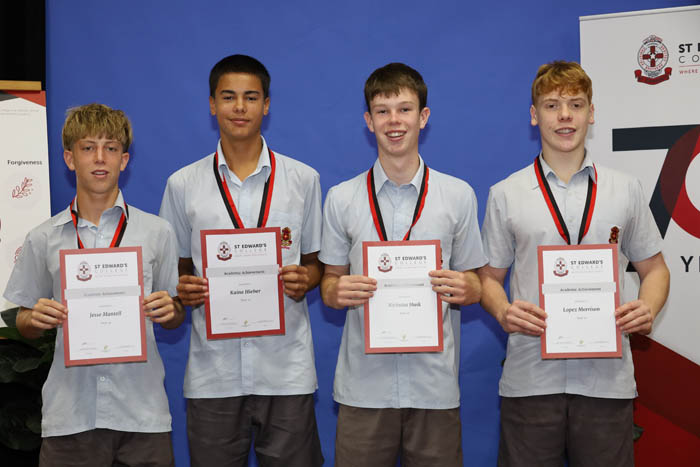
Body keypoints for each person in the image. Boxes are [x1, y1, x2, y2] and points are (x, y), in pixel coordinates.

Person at [478, 60, 670, 467]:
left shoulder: (626, 189)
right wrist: (503, 310)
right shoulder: (506, 194)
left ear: (591, 113)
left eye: (576, 104)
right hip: (531, 379)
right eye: (552, 105)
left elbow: (655, 269)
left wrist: (648, 307)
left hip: (607, 382)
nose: (564, 116)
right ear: (534, 115)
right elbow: (488, 279)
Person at [159, 54, 324, 467]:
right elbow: (174, 268)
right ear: (212, 104)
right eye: (228, 96)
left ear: (266, 105)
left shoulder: (303, 180)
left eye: (251, 97)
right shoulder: (182, 185)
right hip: (214, 374)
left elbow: (317, 262)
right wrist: (183, 288)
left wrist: (307, 279)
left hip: (285, 371)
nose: (239, 107)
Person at [319, 62, 487, 467]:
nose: (394, 121)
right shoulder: (341, 198)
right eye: (382, 110)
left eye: (405, 109)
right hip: (364, 388)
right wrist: (335, 292)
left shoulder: (457, 195)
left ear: (423, 117)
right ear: (368, 120)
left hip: (433, 388)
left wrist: (470, 289)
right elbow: (328, 284)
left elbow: (476, 283)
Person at [4, 103, 184, 467]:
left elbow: (176, 313)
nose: (100, 158)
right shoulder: (43, 238)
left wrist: (172, 310)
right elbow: (22, 319)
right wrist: (34, 319)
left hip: (142, 416)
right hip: (70, 417)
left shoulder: (158, 233)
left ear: (124, 159)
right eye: (88, 147)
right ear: (70, 159)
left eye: (111, 148)